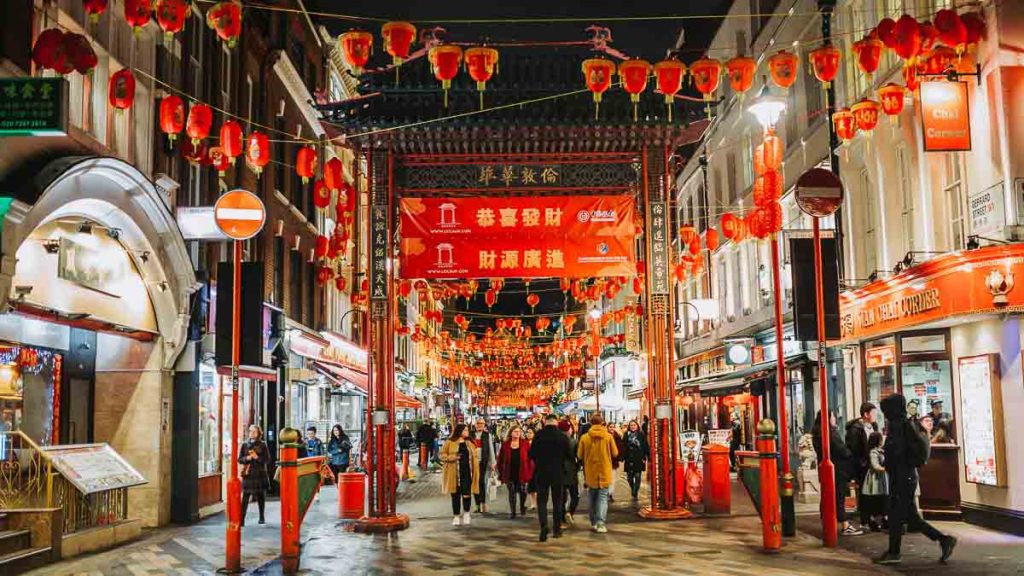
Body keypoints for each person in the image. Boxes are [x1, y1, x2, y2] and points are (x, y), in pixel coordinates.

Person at [876, 394, 957, 565]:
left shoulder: (899, 425)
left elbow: (897, 452)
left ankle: (895, 552)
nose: (884, 413)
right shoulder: (904, 423)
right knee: (907, 516)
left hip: (902, 476)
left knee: (898, 514)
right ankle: (942, 540)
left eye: (886, 410)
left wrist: (887, 458)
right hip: (905, 475)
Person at [812, 410, 863, 536]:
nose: (835, 418)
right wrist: (851, 455)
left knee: (829, 496)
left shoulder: (818, 433)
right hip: (838, 469)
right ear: (828, 418)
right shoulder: (830, 433)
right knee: (838, 497)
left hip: (826, 469)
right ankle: (845, 525)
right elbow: (842, 450)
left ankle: (827, 521)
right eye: (833, 416)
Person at [529, 414, 570, 541]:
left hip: (542, 472)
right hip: (558, 472)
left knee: (542, 501)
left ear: (545, 422)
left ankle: (543, 526)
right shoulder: (563, 437)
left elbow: (531, 454)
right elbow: (568, 455)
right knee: (557, 501)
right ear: (556, 422)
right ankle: (557, 529)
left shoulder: (539, 436)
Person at [577, 413, 618, 533]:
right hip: (605, 471)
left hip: (590, 472)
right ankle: (601, 523)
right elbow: (615, 453)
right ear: (602, 423)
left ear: (591, 423)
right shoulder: (608, 436)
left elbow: (579, 455)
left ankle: (593, 522)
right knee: (602, 497)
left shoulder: (585, 437)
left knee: (592, 496)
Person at [846, 402, 878, 530]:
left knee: (874, 492)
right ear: (866, 414)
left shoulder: (874, 426)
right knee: (865, 493)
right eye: (873, 413)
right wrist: (862, 463)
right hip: (863, 466)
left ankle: (875, 516)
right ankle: (866, 519)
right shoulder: (855, 429)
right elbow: (853, 449)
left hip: (873, 463)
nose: (876, 416)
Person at [440, 423, 479, 527]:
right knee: (455, 494)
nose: (467, 432)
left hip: (467, 472)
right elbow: (442, 455)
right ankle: (456, 516)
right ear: (459, 431)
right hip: (454, 472)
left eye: (467, 430)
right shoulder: (449, 442)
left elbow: (475, 456)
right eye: (465, 430)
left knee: (467, 493)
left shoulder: (470, 442)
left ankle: (466, 513)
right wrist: (453, 457)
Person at [497, 425, 533, 519]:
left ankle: (522, 507)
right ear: (511, 433)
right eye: (515, 431)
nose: (517, 433)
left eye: (519, 431)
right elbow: (500, 459)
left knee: (523, 492)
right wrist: (500, 471)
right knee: (511, 492)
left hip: (522, 472)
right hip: (509, 472)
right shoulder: (505, 445)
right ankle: (513, 511)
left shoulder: (525, 444)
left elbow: (531, 458)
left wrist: (531, 470)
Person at [239, 424, 270, 526]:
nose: (251, 433)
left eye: (254, 432)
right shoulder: (244, 444)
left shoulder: (263, 444)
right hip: (248, 474)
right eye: (250, 431)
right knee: (245, 497)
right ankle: (242, 519)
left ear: (258, 433)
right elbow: (239, 459)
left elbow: (267, 459)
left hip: (259, 474)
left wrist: (257, 457)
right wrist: (246, 458)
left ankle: (262, 516)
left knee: (261, 496)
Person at [862, 432, 889, 532]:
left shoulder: (882, 451)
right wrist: (885, 469)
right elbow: (875, 465)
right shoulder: (873, 452)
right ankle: (874, 520)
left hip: (882, 477)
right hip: (875, 478)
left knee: (883, 498)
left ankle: (884, 519)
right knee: (876, 498)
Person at [558, 419, 581, 526]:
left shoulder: (555, 442)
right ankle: (570, 512)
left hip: (558, 472)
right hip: (571, 471)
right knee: (575, 495)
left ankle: (562, 518)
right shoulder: (574, 442)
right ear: (569, 429)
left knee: (561, 498)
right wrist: (578, 466)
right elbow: (579, 457)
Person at [472, 418, 497, 514]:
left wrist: (493, 463)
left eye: (482, 424)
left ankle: (483, 503)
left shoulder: (487, 435)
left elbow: (491, 449)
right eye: (478, 423)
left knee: (481, 482)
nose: (480, 425)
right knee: (475, 483)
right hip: (473, 462)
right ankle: (477, 505)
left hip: (483, 462)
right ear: (475, 424)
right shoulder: (471, 435)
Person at [622, 419, 649, 501]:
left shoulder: (641, 434)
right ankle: (632, 487)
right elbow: (623, 446)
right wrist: (622, 456)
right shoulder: (626, 434)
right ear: (629, 427)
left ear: (637, 426)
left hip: (638, 458)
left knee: (637, 477)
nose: (633, 426)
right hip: (629, 458)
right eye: (631, 425)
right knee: (629, 478)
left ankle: (635, 492)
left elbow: (645, 445)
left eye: (634, 425)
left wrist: (645, 457)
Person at [524, 427, 538, 511]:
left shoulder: (537, 443)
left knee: (535, 485)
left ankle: (535, 503)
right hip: (527, 466)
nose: (528, 434)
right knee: (530, 486)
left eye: (530, 432)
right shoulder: (524, 443)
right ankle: (533, 503)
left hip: (535, 466)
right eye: (527, 432)